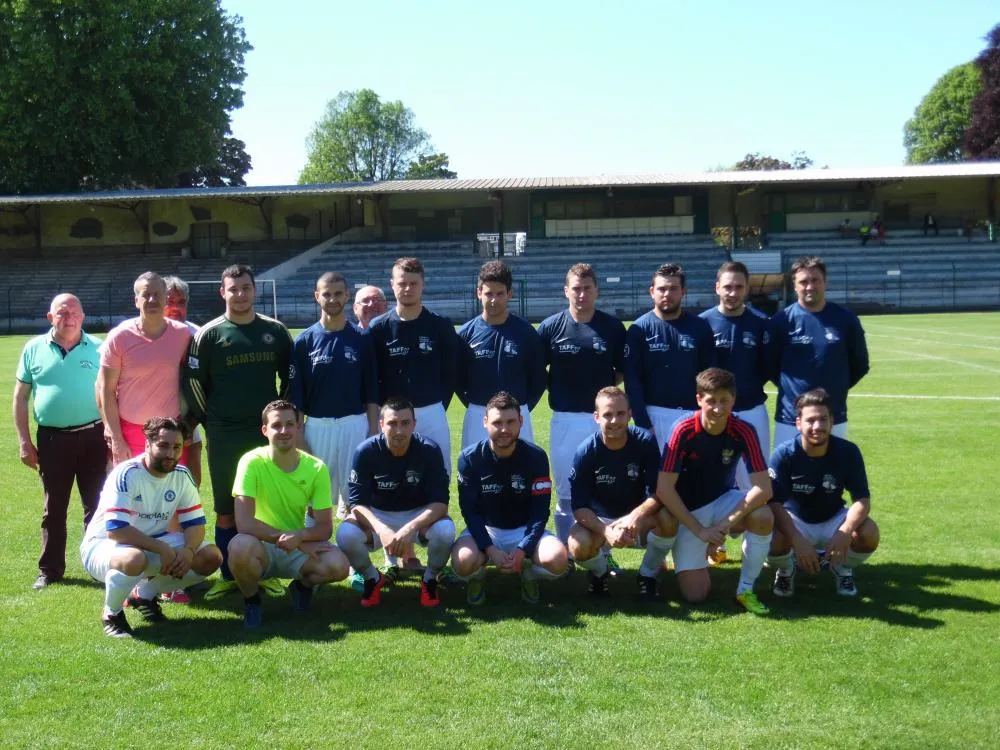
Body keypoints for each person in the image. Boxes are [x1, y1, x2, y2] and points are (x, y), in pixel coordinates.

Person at [182, 264, 294, 600]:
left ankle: (263, 571)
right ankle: (231, 574)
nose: (240, 294)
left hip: (266, 435)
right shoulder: (209, 334)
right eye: (234, 289)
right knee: (227, 507)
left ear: (254, 290)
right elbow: (193, 383)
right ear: (223, 292)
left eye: (246, 288)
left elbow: (290, 379)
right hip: (225, 433)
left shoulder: (275, 331)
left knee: (263, 506)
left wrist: (278, 421)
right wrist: (210, 420)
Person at [79, 417, 222, 637]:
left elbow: (195, 525)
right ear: (147, 445)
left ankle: (144, 594)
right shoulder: (126, 474)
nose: (170, 453)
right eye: (163, 446)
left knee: (210, 557)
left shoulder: (182, 476)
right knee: (134, 559)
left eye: (176, 447)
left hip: (153, 542)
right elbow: (116, 530)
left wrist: (188, 550)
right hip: (103, 546)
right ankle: (112, 613)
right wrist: (161, 548)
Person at [656, 368, 774, 615]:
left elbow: (763, 488)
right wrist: (701, 532)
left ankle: (745, 589)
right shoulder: (682, 430)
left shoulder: (744, 430)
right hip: (689, 512)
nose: (718, 408)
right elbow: (664, 490)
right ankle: (673, 555)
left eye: (724, 401)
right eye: (711, 401)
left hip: (723, 502)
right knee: (696, 595)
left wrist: (723, 525)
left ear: (734, 399)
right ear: (699, 399)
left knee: (763, 516)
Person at [229, 400, 350, 629]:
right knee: (238, 547)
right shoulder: (251, 462)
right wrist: (293, 540)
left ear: (298, 428)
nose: (283, 431)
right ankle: (252, 602)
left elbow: (325, 527)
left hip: (295, 545)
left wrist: (299, 538)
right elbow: (244, 523)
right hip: (261, 544)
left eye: (289, 424)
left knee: (339, 566)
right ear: (264, 430)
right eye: (276, 425)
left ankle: (301, 588)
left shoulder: (316, 468)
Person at [14, 294, 106, 590]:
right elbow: (20, 397)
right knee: (54, 507)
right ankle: (50, 569)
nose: (69, 318)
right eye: (62, 312)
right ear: (49, 316)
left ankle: (98, 564)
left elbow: (112, 393)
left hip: (94, 435)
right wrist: (25, 442)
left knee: (97, 504)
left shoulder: (99, 348)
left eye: (75, 312)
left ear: (83, 315)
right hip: (52, 439)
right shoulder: (33, 348)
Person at [537, 263, 626, 545]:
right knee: (565, 490)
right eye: (576, 288)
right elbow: (540, 370)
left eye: (587, 288)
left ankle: (604, 547)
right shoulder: (551, 327)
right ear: (566, 291)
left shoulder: (612, 327)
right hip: (564, 418)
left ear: (597, 290)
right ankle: (565, 553)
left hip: (602, 421)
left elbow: (621, 371)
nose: (582, 294)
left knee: (602, 486)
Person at [336, 397, 455, 607]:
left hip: (417, 516)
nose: (399, 430)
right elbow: (356, 504)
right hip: (378, 515)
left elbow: (440, 503)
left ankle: (430, 579)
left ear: (414, 424)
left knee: (446, 530)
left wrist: (410, 528)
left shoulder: (429, 450)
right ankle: (372, 578)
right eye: (392, 423)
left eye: (405, 423)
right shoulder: (365, 451)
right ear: (381, 424)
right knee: (345, 534)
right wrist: (381, 530)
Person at [451, 392, 568, 605]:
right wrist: (490, 548)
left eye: (510, 422)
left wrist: (523, 548)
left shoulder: (536, 457)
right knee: (462, 562)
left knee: (559, 560)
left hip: (523, 528)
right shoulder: (469, 459)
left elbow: (540, 511)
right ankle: (478, 577)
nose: (504, 429)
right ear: (485, 422)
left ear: (521, 421)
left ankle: (529, 574)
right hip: (487, 528)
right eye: (497, 422)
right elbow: (470, 511)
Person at [767, 389, 880, 598]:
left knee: (869, 532)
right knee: (770, 537)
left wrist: (845, 531)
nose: (817, 426)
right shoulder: (784, 454)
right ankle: (786, 569)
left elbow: (862, 499)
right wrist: (796, 539)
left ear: (832, 421)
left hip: (833, 519)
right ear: (798, 423)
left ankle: (841, 567)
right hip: (795, 520)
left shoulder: (848, 451)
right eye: (810, 420)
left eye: (823, 419)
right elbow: (774, 504)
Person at [567, 388, 677, 598]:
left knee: (669, 518)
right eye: (608, 414)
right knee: (577, 544)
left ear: (630, 414)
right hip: (601, 521)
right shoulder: (585, 451)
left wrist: (633, 517)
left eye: (620, 413)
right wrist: (606, 531)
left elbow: (659, 493)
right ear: (597, 417)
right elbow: (579, 507)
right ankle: (600, 573)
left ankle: (648, 575)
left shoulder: (645, 442)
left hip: (639, 519)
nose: (615, 420)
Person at [290, 272, 378, 521]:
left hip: (355, 424)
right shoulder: (304, 342)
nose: (332, 299)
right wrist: (299, 437)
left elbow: (371, 391)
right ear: (317, 296)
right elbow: (296, 397)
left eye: (338, 293)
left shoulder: (362, 339)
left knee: (359, 497)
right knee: (313, 498)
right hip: (318, 427)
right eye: (326, 294)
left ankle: (360, 556)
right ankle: (310, 556)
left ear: (347, 296)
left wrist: (372, 430)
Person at [699, 261, 771, 564]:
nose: (732, 292)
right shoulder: (703, 324)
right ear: (717, 287)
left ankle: (754, 550)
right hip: (714, 416)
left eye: (738, 286)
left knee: (754, 482)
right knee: (714, 480)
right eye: (727, 286)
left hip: (751, 411)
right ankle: (713, 545)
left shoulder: (761, 323)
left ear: (747, 289)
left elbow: (769, 366)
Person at [768, 255, 869, 448]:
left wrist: (836, 386)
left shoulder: (845, 320)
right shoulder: (781, 322)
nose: (809, 286)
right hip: (790, 417)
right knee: (786, 475)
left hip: (834, 416)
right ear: (795, 285)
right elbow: (769, 365)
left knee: (833, 476)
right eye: (803, 282)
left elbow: (860, 364)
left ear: (825, 282)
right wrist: (794, 389)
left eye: (815, 280)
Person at [368, 257, 458, 470]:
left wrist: (436, 405)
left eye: (413, 283)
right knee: (390, 472)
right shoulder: (378, 328)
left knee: (438, 471)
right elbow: (371, 376)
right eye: (402, 283)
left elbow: (451, 372)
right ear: (392, 284)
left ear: (423, 284)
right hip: (392, 417)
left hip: (431, 412)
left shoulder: (440, 325)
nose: (407, 288)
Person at [97, 272, 192, 467]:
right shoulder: (119, 336)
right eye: (146, 294)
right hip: (130, 432)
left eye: (157, 294)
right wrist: (116, 438)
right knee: (133, 494)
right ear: (136, 300)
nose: (152, 300)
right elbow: (105, 390)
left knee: (170, 494)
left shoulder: (183, 335)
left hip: (171, 433)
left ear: (165, 297)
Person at [624, 263, 715, 446]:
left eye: (673, 288)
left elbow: (710, 377)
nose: (667, 294)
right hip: (654, 415)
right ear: (652, 291)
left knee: (692, 474)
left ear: (683, 291)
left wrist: (705, 414)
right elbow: (632, 379)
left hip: (693, 416)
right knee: (656, 474)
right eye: (661, 289)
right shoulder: (638, 329)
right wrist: (642, 422)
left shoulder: (700, 327)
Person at [457, 260, 545, 447]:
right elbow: (456, 379)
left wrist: (521, 409)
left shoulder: (527, 333)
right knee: (476, 472)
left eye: (500, 294)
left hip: (517, 414)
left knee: (521, 472)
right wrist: (475, 405)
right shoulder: (465, 334)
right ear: (479, 293)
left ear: (509, 294)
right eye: (488, 294)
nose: (494, 300)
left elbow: (538, 379)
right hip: (477, 415)